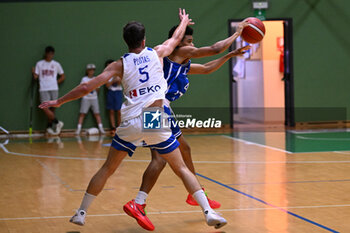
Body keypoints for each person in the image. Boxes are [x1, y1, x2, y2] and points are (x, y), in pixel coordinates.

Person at [39, 9, 227, 231]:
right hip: (153, 116)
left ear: (126, 42)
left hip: (129, 121)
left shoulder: (119, 64)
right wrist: (183, 21)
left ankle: (81, 213)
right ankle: (208, 212)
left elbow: (87, 86)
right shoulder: (157, 53)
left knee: (108, 168)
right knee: (181, 167)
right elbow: (176, 38)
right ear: (144, 40)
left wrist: (59, 101)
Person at [127, 21, 250, 216]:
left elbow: (208, 68)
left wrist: (229, 55)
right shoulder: (179, 54)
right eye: (189, 42)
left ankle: (189, 194)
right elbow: (213, 49)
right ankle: (141, 202)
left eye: (193, 42)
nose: (192, 46)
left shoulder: (181, 63)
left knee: (179, 151)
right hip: (157, 109)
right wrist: (237, 35)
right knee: (162, 159)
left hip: (154, 109)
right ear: (178, 45)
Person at [32, 46, 65, 135]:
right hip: (43, 88)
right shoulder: (39, 64)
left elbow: (63, 76)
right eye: (48, 53)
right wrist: (34, 73)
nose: (50, 55)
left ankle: (49, 128)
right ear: (46, 54)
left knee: (52, 108)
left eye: (52, 54)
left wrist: (55, 82)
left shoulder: (56, 64)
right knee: (44, 107)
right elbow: (36, 77)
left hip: (54, 88)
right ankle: (57, 122)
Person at [75, 64, 106, 135]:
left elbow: (98, 90)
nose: (91, 71)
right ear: (87, 71)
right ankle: (78, 129)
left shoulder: (96, 78)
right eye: (90, 70)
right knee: (82, 113)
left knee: (97, 113)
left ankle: (101, 129)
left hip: (94, 98)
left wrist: (94, 88)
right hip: (86, 98)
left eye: (93, 70)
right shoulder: (84, 79)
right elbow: (82, 89)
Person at [104, 59, 123, 134]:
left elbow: (119, 82)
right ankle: (113, 127)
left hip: (118, 92)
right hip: (110, 92)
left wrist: (115, 79)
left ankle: (119, 126)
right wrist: (113, 80)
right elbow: (107, 85)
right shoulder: (106, 74)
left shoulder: (118, 73)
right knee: (111, 110)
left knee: (118, 110)